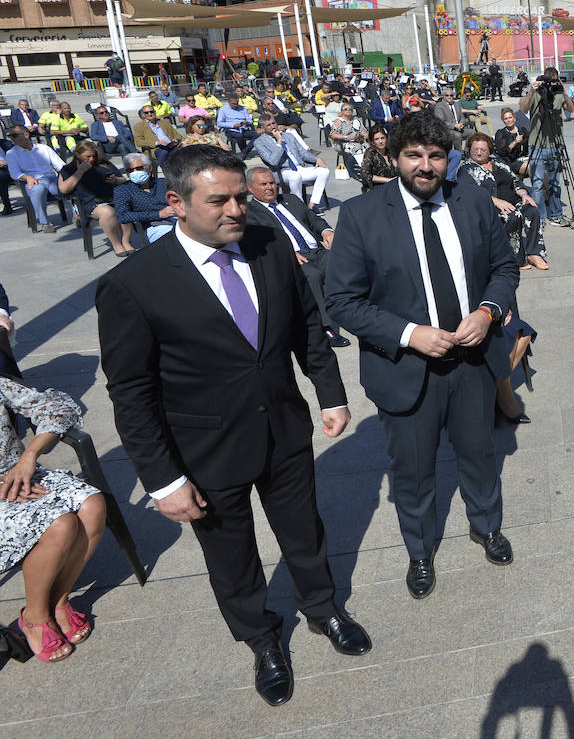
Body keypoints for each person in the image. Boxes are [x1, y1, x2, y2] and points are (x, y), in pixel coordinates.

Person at [96, 145, 370, 707]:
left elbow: (307, 329)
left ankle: (323, 610)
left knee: (304, 531)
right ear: (176, 203)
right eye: (218, 200)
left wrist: (332, 395)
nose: (236, 210)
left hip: (284, 430)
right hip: (204, 449)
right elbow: (130, 391)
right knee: (232, 554)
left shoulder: (269, 248)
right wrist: (163, 480)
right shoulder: (135, 284)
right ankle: (263, 639)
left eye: (241, 196)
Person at [324, 110, 521, 598]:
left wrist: (488, 312)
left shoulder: (474, 202)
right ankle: (419, 551)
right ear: (394, 158)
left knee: (480, 454)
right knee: (412, 471)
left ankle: (486, 525)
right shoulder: (360, 215)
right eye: (414, 155)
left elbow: (504, 267)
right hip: (406, 370)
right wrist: (410, 334)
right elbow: (342, 301)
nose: (426, 166)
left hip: (473, 363)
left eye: (436, 155)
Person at [0, 374, 107, 662]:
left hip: (21, 476)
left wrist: (29, 456)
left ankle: (58, 601)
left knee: (92, 506)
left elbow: (58, 406)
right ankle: (35, 617)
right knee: (60, 524)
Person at [243, 165, 350, 346]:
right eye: (263, 184)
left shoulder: (290, 199)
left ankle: (358, 308)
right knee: (312, 276)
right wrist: (286, 253)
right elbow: (256, 243)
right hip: (291, 258)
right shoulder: (249, 213)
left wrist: (326, 231)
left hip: (317, 251)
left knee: (347, 261)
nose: (270, 187)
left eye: (272, 183)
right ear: (250, 188)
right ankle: (325, 328)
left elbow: (314, 219)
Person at [456, 133, 548, 271]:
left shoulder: (497, 160)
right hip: (488, 207)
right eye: (475, 149)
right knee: (513, 216)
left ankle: (534, 253)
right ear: (469, 149)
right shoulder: (466, 168)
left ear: (490, 151)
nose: (479, 153)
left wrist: (524, 194)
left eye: (483, 150)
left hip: (512, 200)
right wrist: (495, 201)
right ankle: (516, 258)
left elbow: (514, 179)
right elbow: (468, 193)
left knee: (532, 210)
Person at [58, 140, 135, 256]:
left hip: (112, 197)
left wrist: (115, 180)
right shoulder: (68, 169)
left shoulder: (104, 163)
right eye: (87, 156)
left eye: (93, 155)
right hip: (89, 202)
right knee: (107, 212)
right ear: (77, 155)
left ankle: (125, 240)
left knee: (123, 207)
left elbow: (123, 179)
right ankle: (116, 243)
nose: (92, 159)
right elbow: (64, 189)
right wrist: (80, 171)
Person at [519, 66, 574, 228]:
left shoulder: (558, 94)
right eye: (549, 80)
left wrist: (564, 92)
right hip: (537, 146)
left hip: (555, 145)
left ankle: (556, 215)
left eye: (554, 80)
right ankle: (540, 217)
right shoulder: (536, 93)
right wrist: (531, 91)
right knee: (537, 184)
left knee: (554, 183)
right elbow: (523, 109)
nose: (551, 84)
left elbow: (570, 110)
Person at [250, 115, 332, 214]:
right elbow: (273, 161)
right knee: (295, 176)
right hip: (282, 172)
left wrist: (317, 159)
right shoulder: (259, 142)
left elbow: (303, 153)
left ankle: (312, 205)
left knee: (324, 171)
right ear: (263, 128)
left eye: (273, 123)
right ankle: (300, 207)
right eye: (269, 125)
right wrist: (279, 142)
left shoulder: (288, 136)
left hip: (300, 167)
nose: (273, 126)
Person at [0, 125, 66, 232]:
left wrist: (65, 177)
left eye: (14, 135)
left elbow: (60, 166)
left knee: (72, 185)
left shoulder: (44, 148)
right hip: (32, 181)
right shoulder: (12, 153)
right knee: (37, 189)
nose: (11, 138)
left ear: (26, 135)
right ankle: (44, 223)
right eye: (9, 136)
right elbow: (14, 173)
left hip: (51, 179)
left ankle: (77, 214)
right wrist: (27, 177)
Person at [112, 151, 176, 243]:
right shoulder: (123, 189)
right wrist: (158, 214)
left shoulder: (164, 183)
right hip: (153, 226)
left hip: (177, 218)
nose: (135, 172)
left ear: (149, 168)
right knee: (172, 238)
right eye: (130, 170)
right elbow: (123, 216)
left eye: (139, 168)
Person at [328, 103, 367, 181]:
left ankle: (365, 167)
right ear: (342, 111)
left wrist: (363, 136)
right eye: (345, 109)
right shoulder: (339, 121)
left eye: (350, 109)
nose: (348, 111)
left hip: (356, 141)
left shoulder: (356, 120)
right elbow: (333, 134)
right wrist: (346, 137)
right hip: (342, 143)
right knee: (357, 148)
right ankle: (356, 169)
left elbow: (363, 132)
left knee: (368, 146)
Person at [360, 126, 399, 192]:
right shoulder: (370, 153)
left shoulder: (391, 150)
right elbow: (365, 175)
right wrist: (388, 180)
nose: (380, 141)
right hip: (377, 188)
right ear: (372, 141)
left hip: (393, 186)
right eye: (377, 139)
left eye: (382, 138)